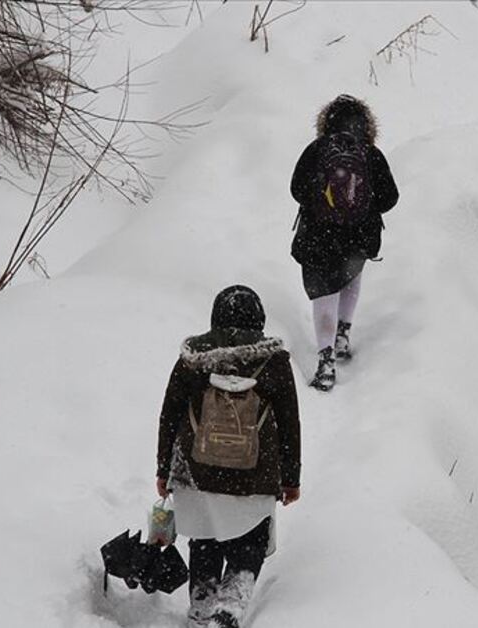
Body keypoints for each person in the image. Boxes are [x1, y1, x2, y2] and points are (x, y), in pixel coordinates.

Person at [155, 285, 301, 628]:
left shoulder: (192, 358)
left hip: (196, 470)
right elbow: (289, 423)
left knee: (204, 537)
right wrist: (291, 478)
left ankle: (201, 606)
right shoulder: (274, 362)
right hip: (254, 474)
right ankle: (229, 609)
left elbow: (170, 415)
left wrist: (163, 469)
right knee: (250, 540)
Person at [290, 94, 399, 391]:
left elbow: (296, 189)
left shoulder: (316, 150)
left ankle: (326, 360)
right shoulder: (371, 154)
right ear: (366, 125)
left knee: (323, 294)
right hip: (357, 237)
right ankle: (343, 334)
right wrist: (361, 207)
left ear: (326, 123)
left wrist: (322, 204)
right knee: (350, 275)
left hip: (317, 237)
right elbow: (390, 198)